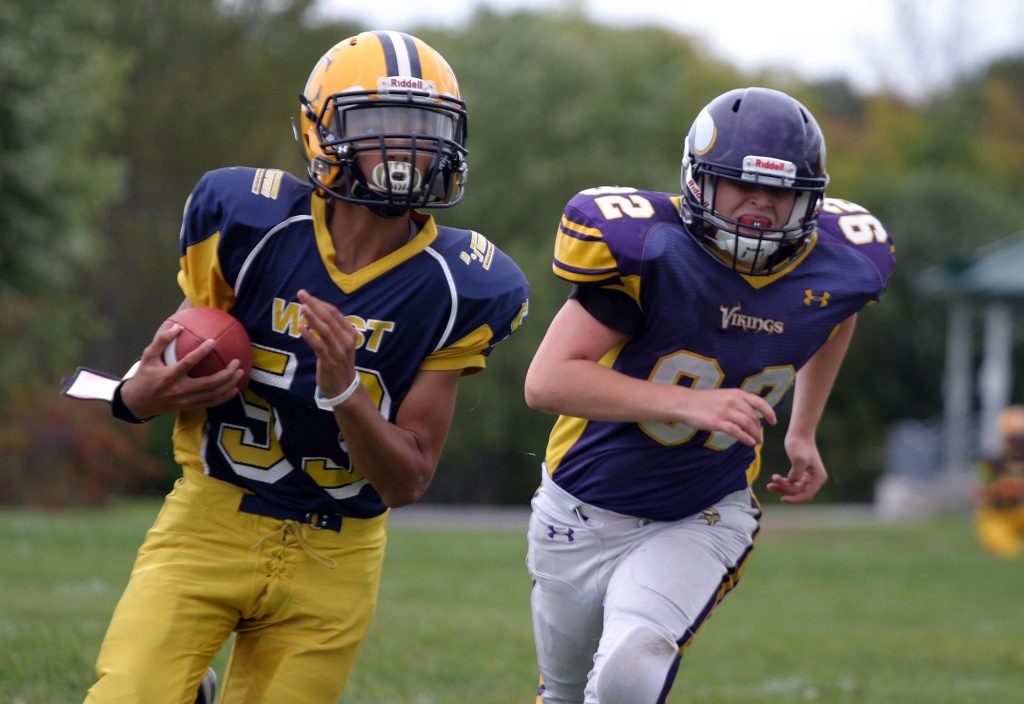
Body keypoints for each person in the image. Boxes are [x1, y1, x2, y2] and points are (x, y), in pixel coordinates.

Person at [63, 30, 529, 703]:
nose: (406, 149)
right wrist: (140, 394)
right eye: (380, 127)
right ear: (324, 131)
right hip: (209, 520)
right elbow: (174, 361)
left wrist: (345, 392)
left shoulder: (461, 282)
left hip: (337, 555)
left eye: (424, 129)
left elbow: (408, 478)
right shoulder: (248, 222)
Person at [522, 86, 895, 704]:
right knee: (563, 693)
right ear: (699, 181)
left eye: (779, 191)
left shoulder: (840, 263)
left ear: (807, 199)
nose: (760, 204)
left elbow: (836, 313)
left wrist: (803, 431)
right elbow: (548, 381)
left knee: (629, 669)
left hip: (702, 511)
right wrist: (689, 403)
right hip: (577, 508)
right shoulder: (651, 249)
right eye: (740, 184)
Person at [975, 405, 1024, 558]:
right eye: (1015, 437)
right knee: (1009, 552)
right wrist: (1002, 489)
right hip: (997, 516)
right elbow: (980, 493)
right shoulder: (992, 462)